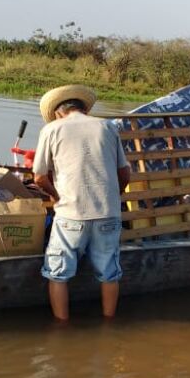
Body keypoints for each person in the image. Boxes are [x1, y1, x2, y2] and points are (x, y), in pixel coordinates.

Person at [32, 84, 131, 321]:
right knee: (109, 274)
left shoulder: (52, 129)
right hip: (108, 213)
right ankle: (109, 323)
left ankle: (62, 329)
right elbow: (125, 172)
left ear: (57, 112)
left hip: (70, 215)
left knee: (58, 274)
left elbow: (39, 177)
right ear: (85, 109)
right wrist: (113, 197)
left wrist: (56, 196)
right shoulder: (107, 126)